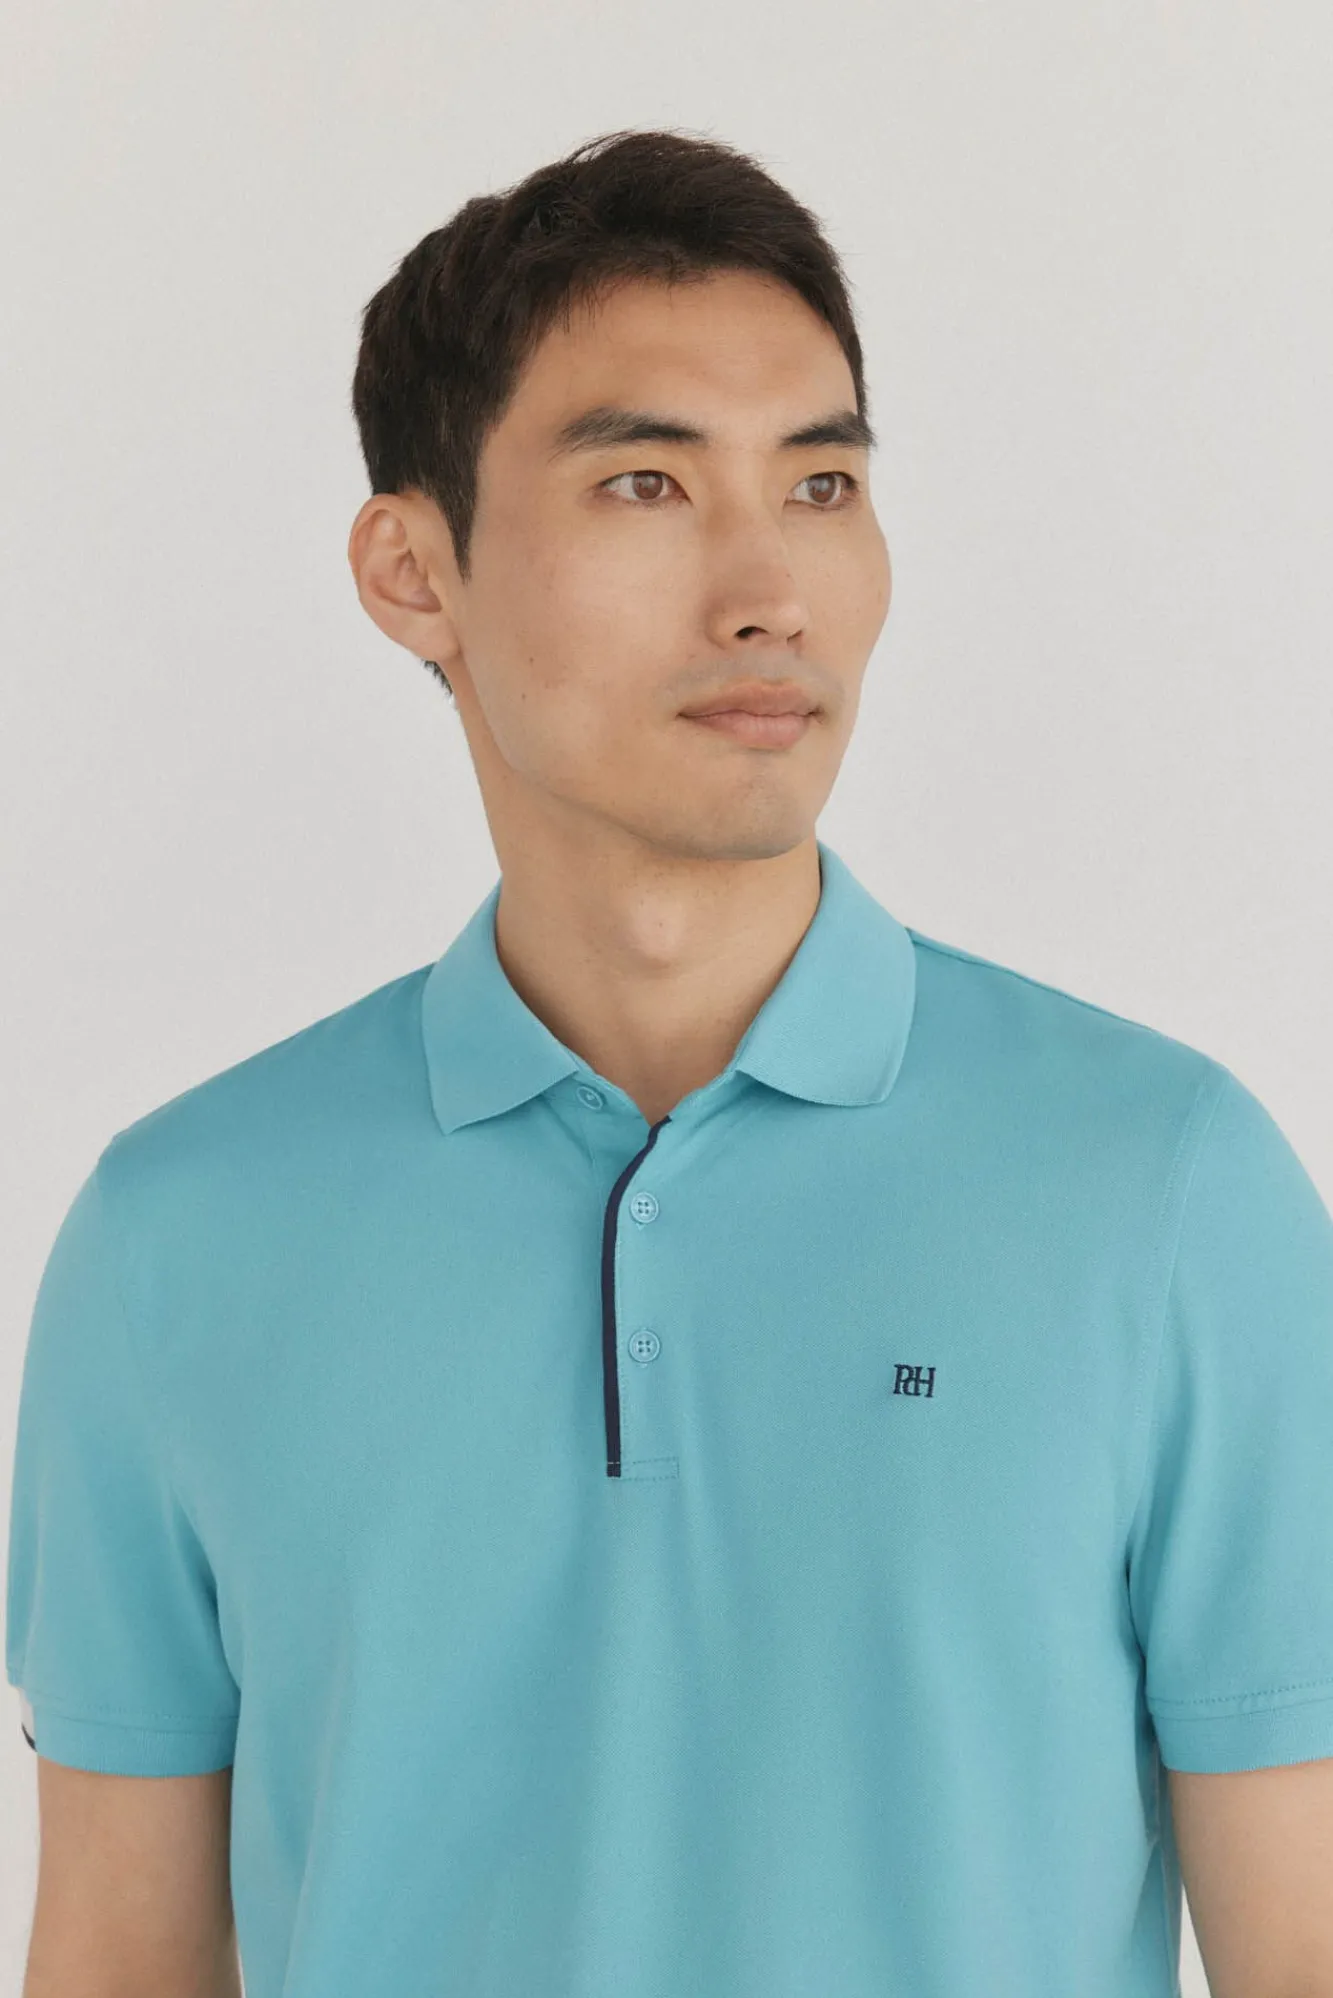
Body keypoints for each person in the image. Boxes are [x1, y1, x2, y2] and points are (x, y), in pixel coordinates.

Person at [7, 126, 1333, 1998]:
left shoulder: (1172, 1190)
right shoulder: (175, 1239)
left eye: (822, 482)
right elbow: (119, 1956)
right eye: (646, 481)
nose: (768, 589)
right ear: (415, 570)